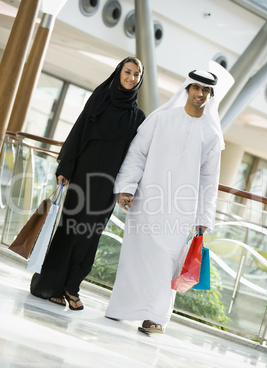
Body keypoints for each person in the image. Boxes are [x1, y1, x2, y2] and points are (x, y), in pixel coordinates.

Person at [105, 64, 234, 333]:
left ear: (211, 96)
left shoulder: (211, 135)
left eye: (206, 90)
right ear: (187, 89)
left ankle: (155, 317)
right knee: (135, 257)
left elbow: (209, 181)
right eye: (196, 87)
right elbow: (137, 154)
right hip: (147, 201)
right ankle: (121, 308)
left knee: (167, 263)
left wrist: (203, 218)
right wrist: (127, 186)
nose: (200, 93)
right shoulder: (161, 119)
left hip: (181, 210)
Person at [30, 56, 145, 310]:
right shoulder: (99, 100)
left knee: (90, 235)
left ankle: (72, 286)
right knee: (69, 230)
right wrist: (65, 167)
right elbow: (78, 131)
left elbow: (135, 156)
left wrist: (126, 187)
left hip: (107, 185)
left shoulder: (137, 118)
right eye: (128, 72)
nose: (131, 78)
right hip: (82, 178)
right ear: (119, 72)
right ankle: (50, 286)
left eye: (137, 75)